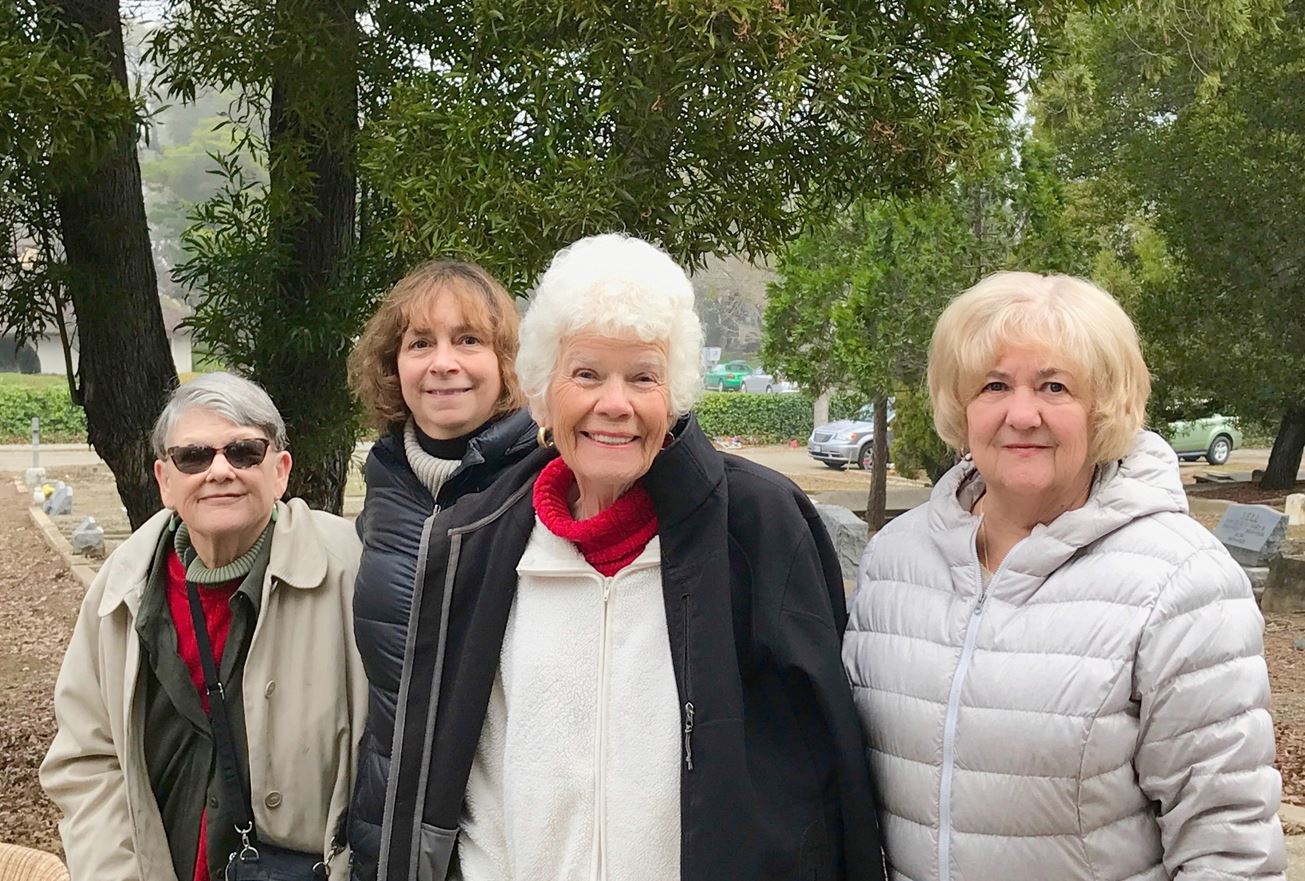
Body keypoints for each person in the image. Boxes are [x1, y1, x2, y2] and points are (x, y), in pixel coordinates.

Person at [372, 234, 884, 881]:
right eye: (586, 373)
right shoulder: (483, 538)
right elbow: (473, 784)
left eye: (643, 376)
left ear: (672, 394)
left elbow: (825, 767)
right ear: (542, 390)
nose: (614, 403)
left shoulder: (760, 526)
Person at [843, 272, 1286, 881]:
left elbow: (1229, 844)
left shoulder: (1181, 581)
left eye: (1055, 387)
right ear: (961, 404)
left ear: (1103, 408)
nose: (1022, 415)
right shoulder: (896, 559)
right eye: (994, 385)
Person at [41, 372, 367, 881]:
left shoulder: (348, 569)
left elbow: (389, 748)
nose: (219, 471)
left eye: (243, 452)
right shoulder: (120, 589)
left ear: (280, 471)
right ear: (164, 480)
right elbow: (86, 756)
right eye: (193, 457)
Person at [344, 260, 536, 878]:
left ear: (508, 361)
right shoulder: (387, 483)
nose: (443, 362)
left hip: (505, 832)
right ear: (392, 364)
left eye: (469, 340)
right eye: (420, 343)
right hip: (394, 820)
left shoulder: (545, 481)